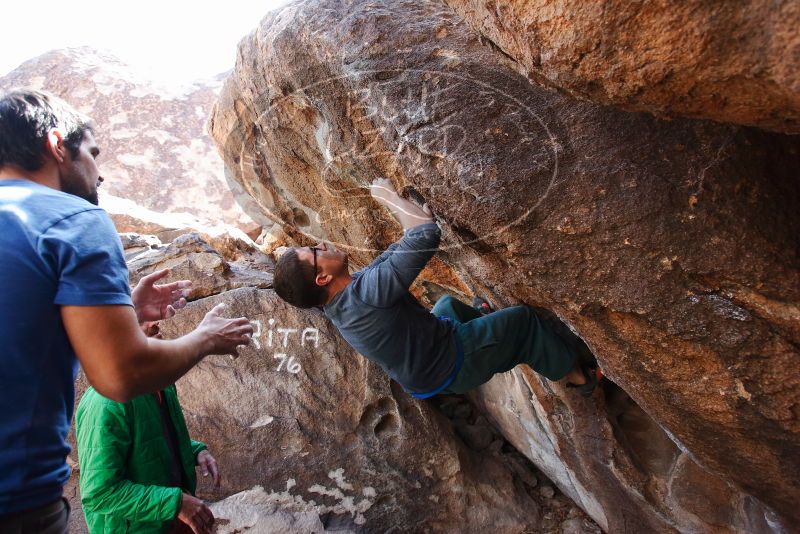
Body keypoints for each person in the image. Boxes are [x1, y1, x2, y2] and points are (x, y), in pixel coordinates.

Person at [0, 88, 253, 533]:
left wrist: (119, 309)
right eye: (91, 154)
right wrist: (206, 337)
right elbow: (120, 376)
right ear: (57, 145)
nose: (99, 175)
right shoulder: (71, 219)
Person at [273, 177, 599, 399]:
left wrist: (413, 217)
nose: (323, 244)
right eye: (315, 252)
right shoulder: (365, 296)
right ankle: (578, 377)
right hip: (452, 365)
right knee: (523, 321)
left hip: (427, 374)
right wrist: (388, 197)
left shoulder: (344, 301)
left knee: (447, 306)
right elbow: (426, 235)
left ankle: (484, 325)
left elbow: (393, 256)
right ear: (322, 279)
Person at [76, 379, 219, 534]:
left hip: (170, 522)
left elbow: (153, 438)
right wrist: (175, 503)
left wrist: (196, 451)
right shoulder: (106, 403)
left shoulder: (163, 384)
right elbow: (99, 493)